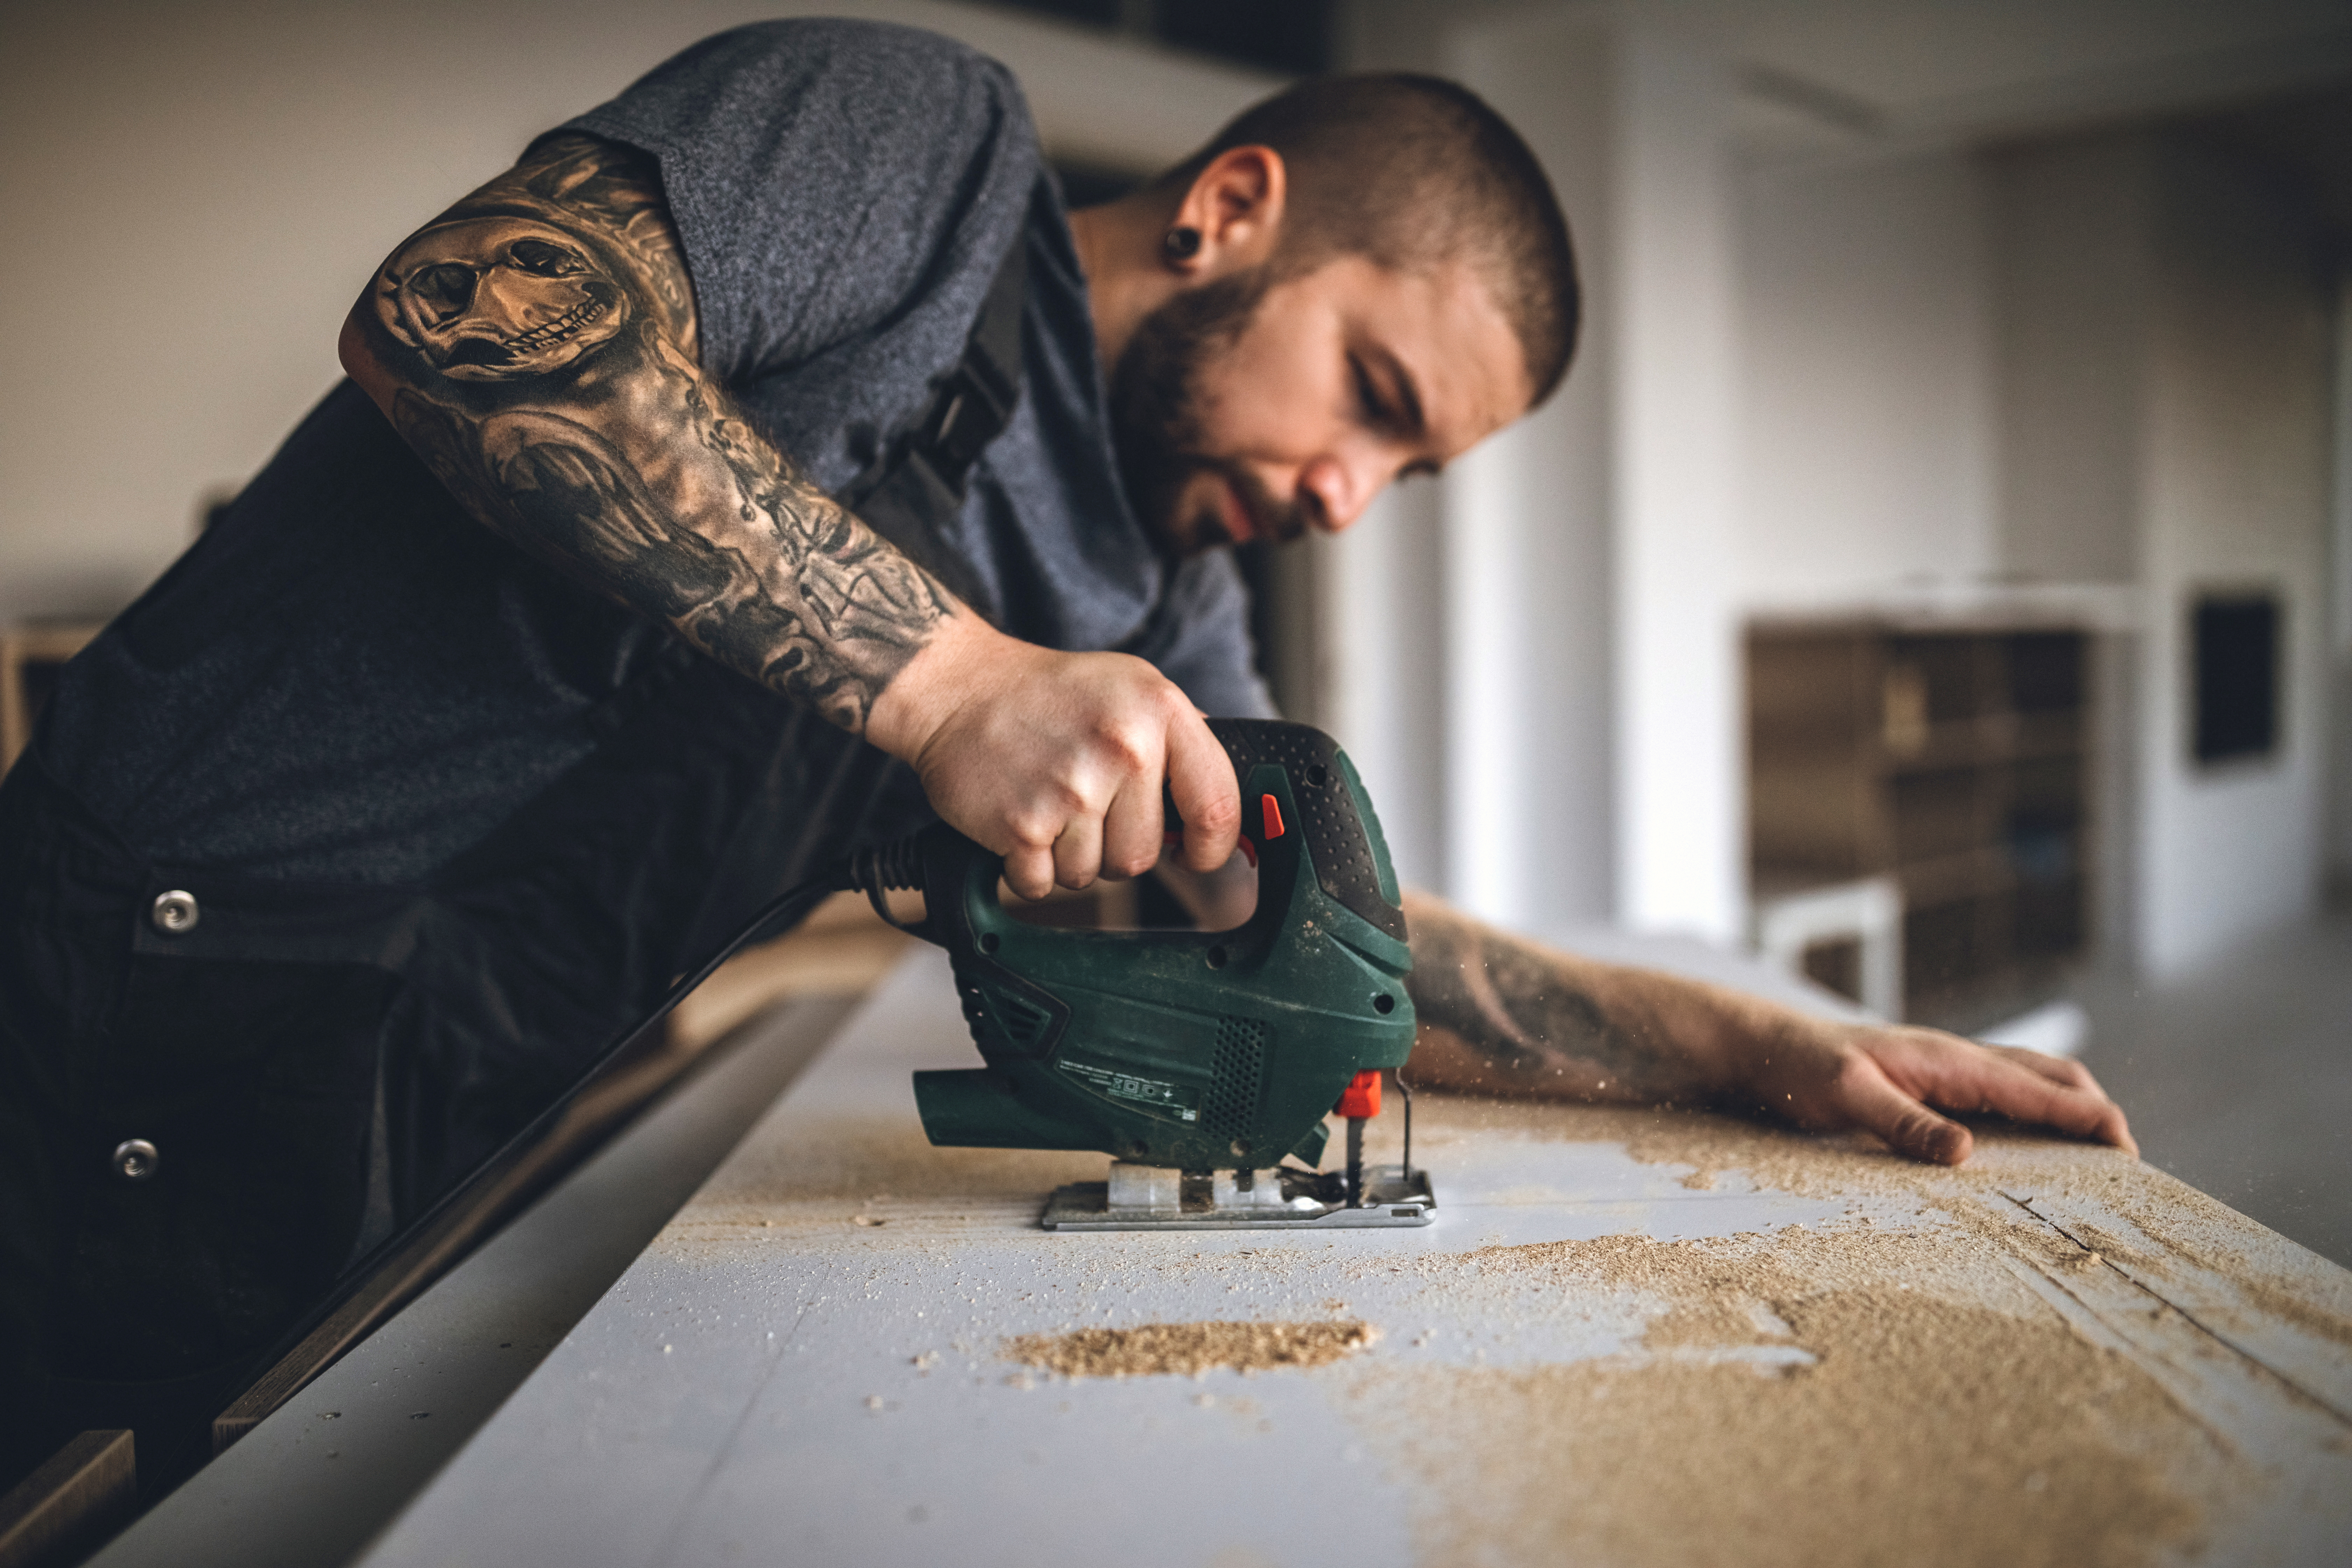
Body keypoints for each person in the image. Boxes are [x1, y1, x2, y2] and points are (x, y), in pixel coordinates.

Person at [0, 19, 2133, 1486]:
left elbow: (1336, 953)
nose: (1347, 498)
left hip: (418, 1108)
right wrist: (949, 685)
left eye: (1409, 474)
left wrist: (1752, 1049)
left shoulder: (1162, 601)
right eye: (1375, 398)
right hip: (123, 964)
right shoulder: (922, 156)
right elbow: (471, 315)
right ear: (1235, 209)